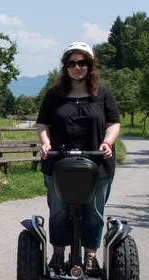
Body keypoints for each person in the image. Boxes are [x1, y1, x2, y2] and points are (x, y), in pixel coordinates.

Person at [36, 41, 121, 273]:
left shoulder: (102, 94)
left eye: (82, 62)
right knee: (59, 210)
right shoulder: (55, 95)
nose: (77, 67)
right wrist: (46, 143)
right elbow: (43, 123)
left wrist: (107, 142)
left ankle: (90, 256)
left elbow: (114, 123)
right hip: (59, 164)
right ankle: (58, 253)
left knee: (93, 212)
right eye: (72, 63)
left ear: (90, 65)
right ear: (66, 67)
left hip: (97, 163)